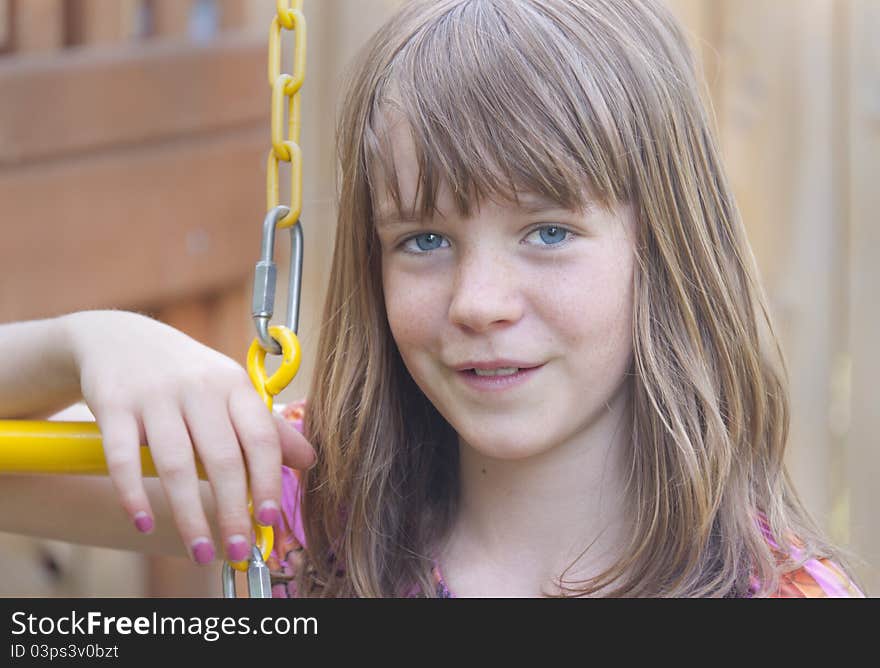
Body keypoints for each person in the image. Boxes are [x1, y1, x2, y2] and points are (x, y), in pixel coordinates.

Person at [0, 0, 866, 597]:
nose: (478, 302)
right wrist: (83, 343)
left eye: (548, 231)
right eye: (423, 241)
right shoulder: (318, 501)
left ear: (667, 249)